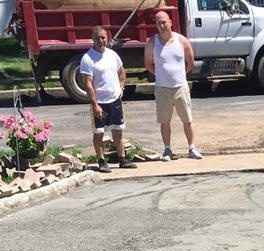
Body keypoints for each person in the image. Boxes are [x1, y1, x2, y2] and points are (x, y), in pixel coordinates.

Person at [145, 10, 202, 160]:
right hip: (162, 89)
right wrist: (161, 75)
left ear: (170, 22)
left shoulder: (181, 41)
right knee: (165, 122)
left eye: (164, 22)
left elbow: (190, 63)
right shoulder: (152, 43)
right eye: (158, 23)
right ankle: (167, 150)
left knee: (187, 120)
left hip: (180, 87)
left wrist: (180, 75)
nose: (162, 25)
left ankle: (192, 148)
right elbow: (148, 64)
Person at [80, 25, 136, 172]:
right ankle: (101, 161)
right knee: (99, 132)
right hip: (100, 103)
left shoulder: (112, 55)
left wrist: (121, 88)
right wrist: (95, 104)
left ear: (107, 38)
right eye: (98, 38)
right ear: (92, 39)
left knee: (118, 131)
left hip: (115, 100)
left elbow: (122, 73)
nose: (101, 41)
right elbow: (88, 83)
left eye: (103, 38)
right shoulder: (88, 58)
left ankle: (122, 159)